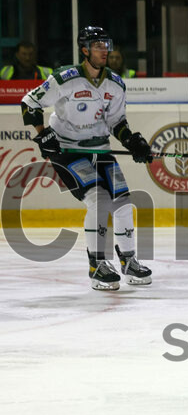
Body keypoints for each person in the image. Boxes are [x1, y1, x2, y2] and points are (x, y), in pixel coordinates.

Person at [21, 26, 154, 291]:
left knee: (124, 201)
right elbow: (29, 103)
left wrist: (132, 141)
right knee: (99, 198)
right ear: (85, 50)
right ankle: (97, 266)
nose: (104, 50)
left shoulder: (115, 84)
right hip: (68, 151)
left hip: (101, 150)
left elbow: (117, 121)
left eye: (106, 45)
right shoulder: (64, 79)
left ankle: (128, 261)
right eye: (97, 45)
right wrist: (43, 135)